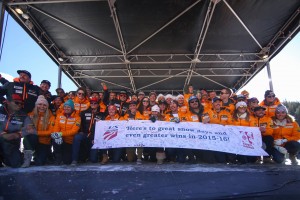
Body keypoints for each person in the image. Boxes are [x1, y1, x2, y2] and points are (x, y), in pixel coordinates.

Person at [0, 94, 37, 168]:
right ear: (8, 102)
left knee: (16, 164)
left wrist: (18, 134)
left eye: (21, 103)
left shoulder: (23, 115)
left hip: (12, 142)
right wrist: (2, 134)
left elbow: (32, 130)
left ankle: (17, 156)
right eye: (16, 102)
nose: (19, 105)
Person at [71, 97, 106, 166]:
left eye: (95, 103)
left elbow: (102, 128)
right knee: (77, 137)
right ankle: (74, 159)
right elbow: (79, 123)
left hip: (95, 137)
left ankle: (98, 155)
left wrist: (95, 138)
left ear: (98, 104)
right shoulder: (83, 113)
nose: (93, 104)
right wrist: (80, 131)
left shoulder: (101, 115)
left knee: (93, 160)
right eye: (91, 103)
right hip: (84, 134)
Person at [51, 99, 81, 165]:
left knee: (67, 161)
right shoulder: (59, 116)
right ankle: (58, 157)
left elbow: (74, 131)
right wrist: (57, 135)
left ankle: (63, 157)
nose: (66, 108)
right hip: (61, 139)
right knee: (55, 139)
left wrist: (60, 134)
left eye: (68, 107)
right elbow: (56, 128)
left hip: (70, 142)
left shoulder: (77, 118)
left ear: (72, 108)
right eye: (65, 107)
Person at [28, 95, 55, 166]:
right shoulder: (30, 115)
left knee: (40, 163)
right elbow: (28, 130)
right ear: (36, 105)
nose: (42, 107)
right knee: (31, 137)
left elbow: (51, 132)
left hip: (44, 142)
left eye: (44, 105)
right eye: (39, 104)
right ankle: (27, 156)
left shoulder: (51, 117)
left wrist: (36, 132)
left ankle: (40, 156)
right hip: (33, 141)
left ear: (47, 106)